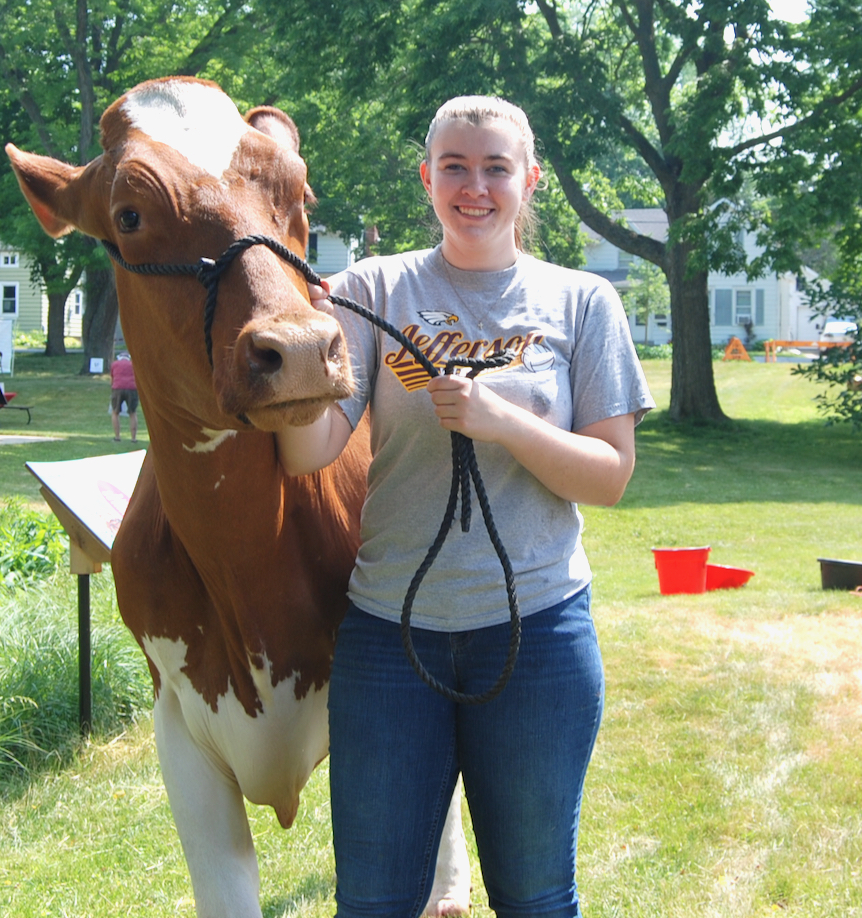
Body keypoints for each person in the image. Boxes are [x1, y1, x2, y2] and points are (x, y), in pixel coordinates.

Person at [275, 96, 654, 918]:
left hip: (539, 639)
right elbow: (308, 452)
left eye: (494, 168)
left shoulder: (583, 301)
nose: (473, 186)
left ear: (530, 181)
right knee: (374, 901)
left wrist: (502, 420)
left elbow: (610, 475)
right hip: (389, 640)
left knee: (535, 896)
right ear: (427, 177)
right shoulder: (375, 287)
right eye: (454, 166)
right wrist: (296, 347)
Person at [109, 351, 138, 441]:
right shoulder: (134, 364)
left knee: (115, 412)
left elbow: (112, 377)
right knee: (132, 413)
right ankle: (133, 438)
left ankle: (117, 437)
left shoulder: (114, 364)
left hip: (117, 388)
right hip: (132, 389)